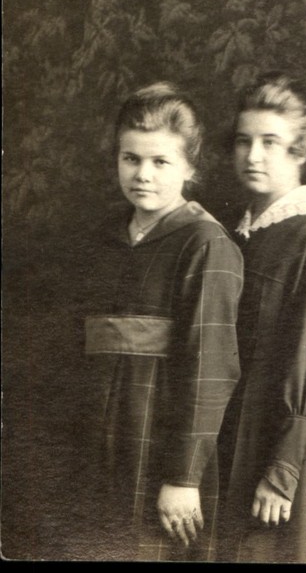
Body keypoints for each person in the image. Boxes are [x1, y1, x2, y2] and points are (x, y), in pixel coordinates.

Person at [84, 82, 243, 561]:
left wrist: (183, 477)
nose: (142, 175)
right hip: (99, 443)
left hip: (161, 447)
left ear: (190, 168)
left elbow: (211, 368)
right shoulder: (106, 240)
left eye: (160, 162)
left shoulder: (205, 243)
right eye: (130, 159)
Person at [216, 73, 306, 563]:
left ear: (301, 150)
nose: (253, 156)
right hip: (234, 438)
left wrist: (284, 470)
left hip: (284, 451)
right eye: (244, 141)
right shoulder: (240, 233)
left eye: (270, 143)